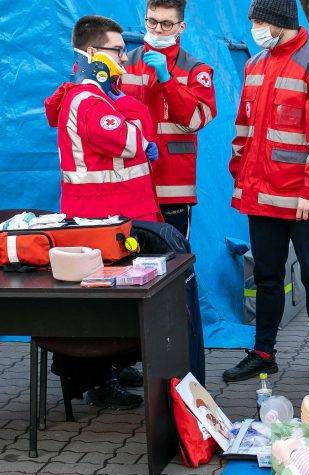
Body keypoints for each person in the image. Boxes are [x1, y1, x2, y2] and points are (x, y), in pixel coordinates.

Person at [223, 0, 309, 385]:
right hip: (262, 196)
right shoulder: (255, 65)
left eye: (260, 20)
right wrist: (242, 177)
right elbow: (244, 131)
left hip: (304, 200)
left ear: (280, 21)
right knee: (266, 277)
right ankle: (264, 353)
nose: (255, 28)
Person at [44, 15, 161, 409]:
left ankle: (115, 365)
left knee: (120, 300)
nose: (124, 59)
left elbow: (136, 129)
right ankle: (99, 379)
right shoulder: (87, 99)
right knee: (105, 305)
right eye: (116, 50)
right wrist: (135, 117)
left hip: (114, 215)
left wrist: (131, 114)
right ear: (92, 53)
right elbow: (129, 139)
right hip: (98, 219)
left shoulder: (97, 97)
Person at [122, 0, 217, 239]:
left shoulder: (197, 71)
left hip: (173, 186)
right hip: (131, 181)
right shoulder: (125, 66)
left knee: (175, 260)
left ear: (181, 27)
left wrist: (167, 80)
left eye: (166, 24)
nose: (157, 30)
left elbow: (195, 120)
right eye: (152, 22)